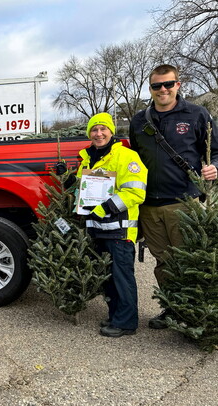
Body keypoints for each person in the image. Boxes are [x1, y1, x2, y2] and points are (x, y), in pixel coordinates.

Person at [129, 64, 218, 329]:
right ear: (151, 88)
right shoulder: (139, 121)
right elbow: (135, 158)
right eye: (157, 86)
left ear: (178, 84)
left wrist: (214, 167)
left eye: (168, 84)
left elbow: (216, 151)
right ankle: (172, 308)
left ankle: (195, 313)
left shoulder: (197, 114)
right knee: (162, 261)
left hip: (183, 201)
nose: (163, 90)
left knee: (188, 258)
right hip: (149, 205)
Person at [78, 112, 147, 337]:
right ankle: (116, 315)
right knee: (108, 277)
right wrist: (69, 179)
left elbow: (135, 192)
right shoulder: (89, 158)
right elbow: (83, 188)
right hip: (99, 229)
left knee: (122, 277)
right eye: (94, 130)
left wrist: (106, 207)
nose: (98, 134)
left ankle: (126, 323)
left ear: (111, 131)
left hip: (120, 229)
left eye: (103, 129)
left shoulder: (127, 156)